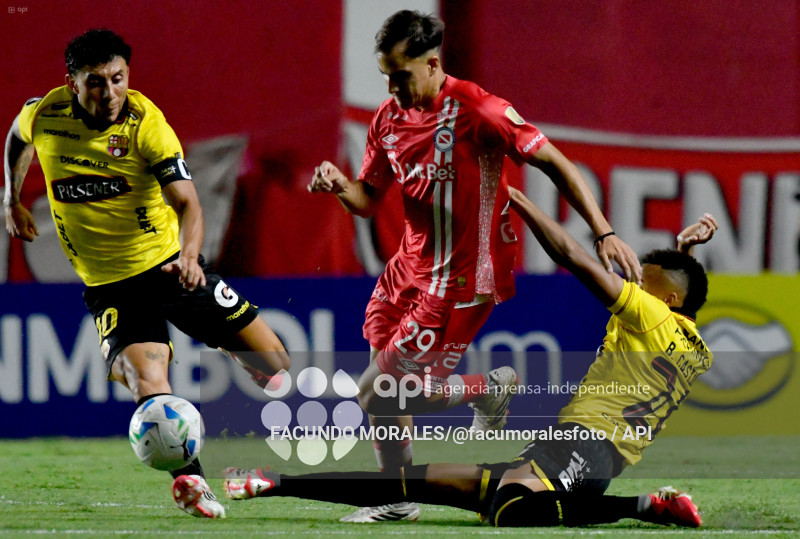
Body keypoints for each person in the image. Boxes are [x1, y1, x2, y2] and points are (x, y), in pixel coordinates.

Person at [306, 10, 641, 522]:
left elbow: (555, 162)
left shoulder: (481, 110)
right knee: (388, 389)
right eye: (386, 76)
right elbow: (368, 199)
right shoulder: (387, 120)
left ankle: (486, 388)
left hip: (460, 279)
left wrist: (604, 231)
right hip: (407, 266)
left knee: (376, 394)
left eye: (401, 76)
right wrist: (339, 186)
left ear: (432, 64)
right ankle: (398, 498)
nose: (392, 88)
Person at [222, 199, 717, 529]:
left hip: (585, 449)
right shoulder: (693, 347)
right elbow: (671, 310)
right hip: (582, 451)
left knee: (512, 510)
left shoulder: (649, 314)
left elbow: (575, 257)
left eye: (643, 281)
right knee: (417, 482)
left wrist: (520, 201)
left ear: (667, 299)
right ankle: (274, 482)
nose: (632, 284)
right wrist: (683, 254)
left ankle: (647, 507)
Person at [3, 29, 290, 519]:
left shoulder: (147, 125)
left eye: (118, 78)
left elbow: (188, 203)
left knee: (277, 369)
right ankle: (191, 481)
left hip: (171, 268)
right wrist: (12, 197)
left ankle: (226, 349)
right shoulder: (45, 113)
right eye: (96, 82)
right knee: (149, 384)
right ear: (72, 83)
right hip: (112, 286)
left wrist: (191, 256)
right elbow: (17, 135)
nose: (110, 92)